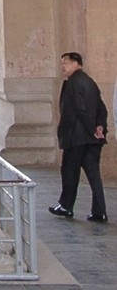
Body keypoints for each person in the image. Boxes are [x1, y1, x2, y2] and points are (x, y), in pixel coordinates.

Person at [48, 51, 108, 222]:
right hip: (91, 138)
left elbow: (80, 109)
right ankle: (99, 211)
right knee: (94, 176)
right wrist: (100, 127)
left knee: (69, 171)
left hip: (76, 137)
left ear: (76, 63)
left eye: (66, 63)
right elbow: (101, 108)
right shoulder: (90, 82)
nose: (63, 67)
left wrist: (92, 129)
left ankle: (66, 207)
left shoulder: (74, 82)